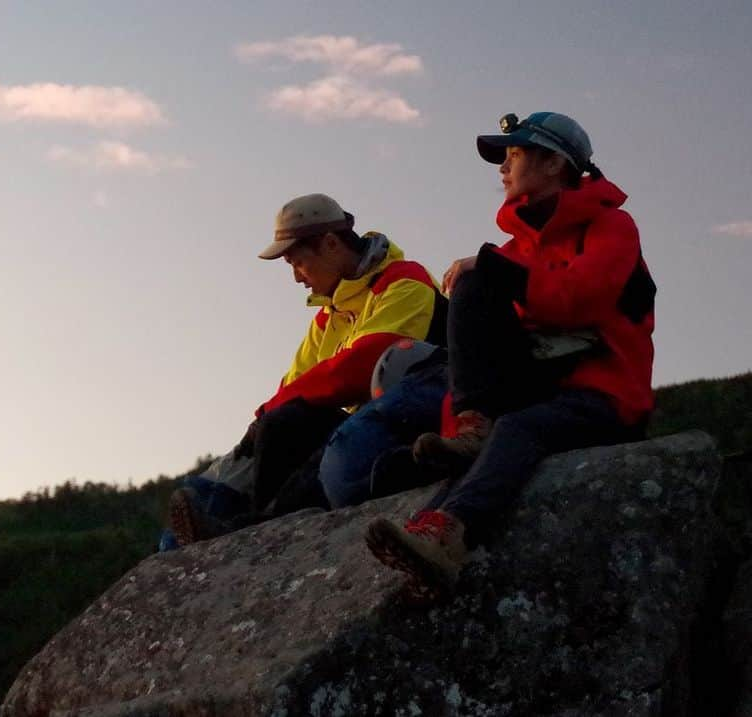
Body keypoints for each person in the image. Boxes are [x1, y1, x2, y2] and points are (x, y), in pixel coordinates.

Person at [365, 111, 656, 595]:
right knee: (398, 463)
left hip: (606, 398)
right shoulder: (512, 249)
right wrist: (453, 425)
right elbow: (479, 356)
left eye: (514, 154)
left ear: (553, 164)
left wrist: (494, 265)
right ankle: (470, 430)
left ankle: (449, 535)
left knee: (520, 426)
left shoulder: (611, 226)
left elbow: (582, 296)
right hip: (541, 389)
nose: (502, 167)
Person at [166, 193, 446, 546]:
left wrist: (272, 412)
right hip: (364, 423)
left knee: (291, 424)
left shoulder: (405, 280)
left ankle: (252, 533)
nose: (298, 278)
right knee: (277, 426)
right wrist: (261, 420)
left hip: (408, 420)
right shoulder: (327, 319)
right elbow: (294, 384)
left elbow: (364, 365)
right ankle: (220, 531)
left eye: (298, 263)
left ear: (330, 244)